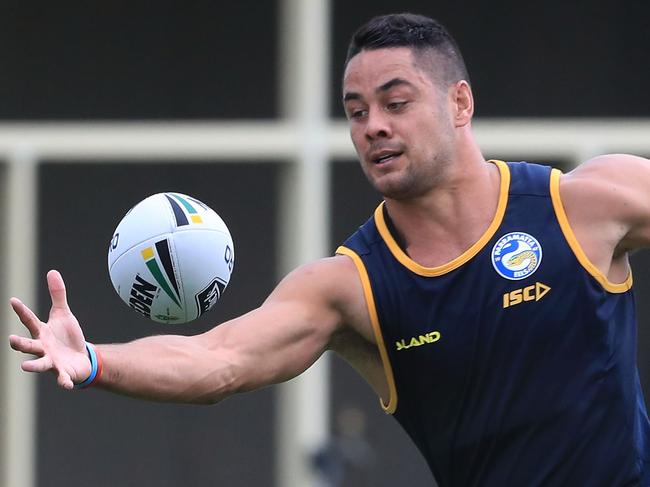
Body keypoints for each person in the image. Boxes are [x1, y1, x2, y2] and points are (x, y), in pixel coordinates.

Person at [8, 12, 650, 486]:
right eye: (355, 110)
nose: (374, 125)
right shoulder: (351, 286)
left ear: (460, 102)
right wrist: (93, 360)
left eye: (396, 102)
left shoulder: (584, 202)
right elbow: (217, 359)